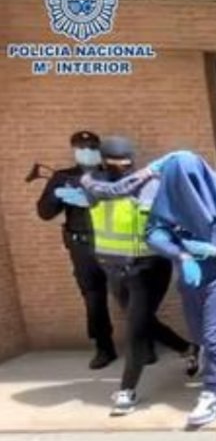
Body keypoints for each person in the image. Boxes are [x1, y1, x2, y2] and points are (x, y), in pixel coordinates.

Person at [63, 136, 195, 415]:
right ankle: (188, 349)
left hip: (148, 268)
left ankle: (126, 391)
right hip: (112, 267)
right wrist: (147, 172)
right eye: (115, 163)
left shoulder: (151, 184)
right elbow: (113, 191)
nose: (122, 168)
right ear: (103, 162)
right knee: (143, 321)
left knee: (135, 329)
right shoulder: (91, 182)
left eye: (127, 164)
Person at [146, 151, 216, 428]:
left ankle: (212, 394)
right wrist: (180, 255)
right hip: (191, 277)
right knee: (200, 332)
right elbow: (154, 233)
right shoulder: (167, 202)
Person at [36, 130, 116, 369]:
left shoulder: (112, 175)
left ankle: (144, 345)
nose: (86, 151)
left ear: (99, 149)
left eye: (91, 147)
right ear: (74, 150)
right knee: (93, 298)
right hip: (82, 246)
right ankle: (104, 347)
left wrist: (96, 197)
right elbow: (44, 212)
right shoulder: (63, 177)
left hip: (113, 243)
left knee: (131, 295)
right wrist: (57, 195)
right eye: (82, 147)